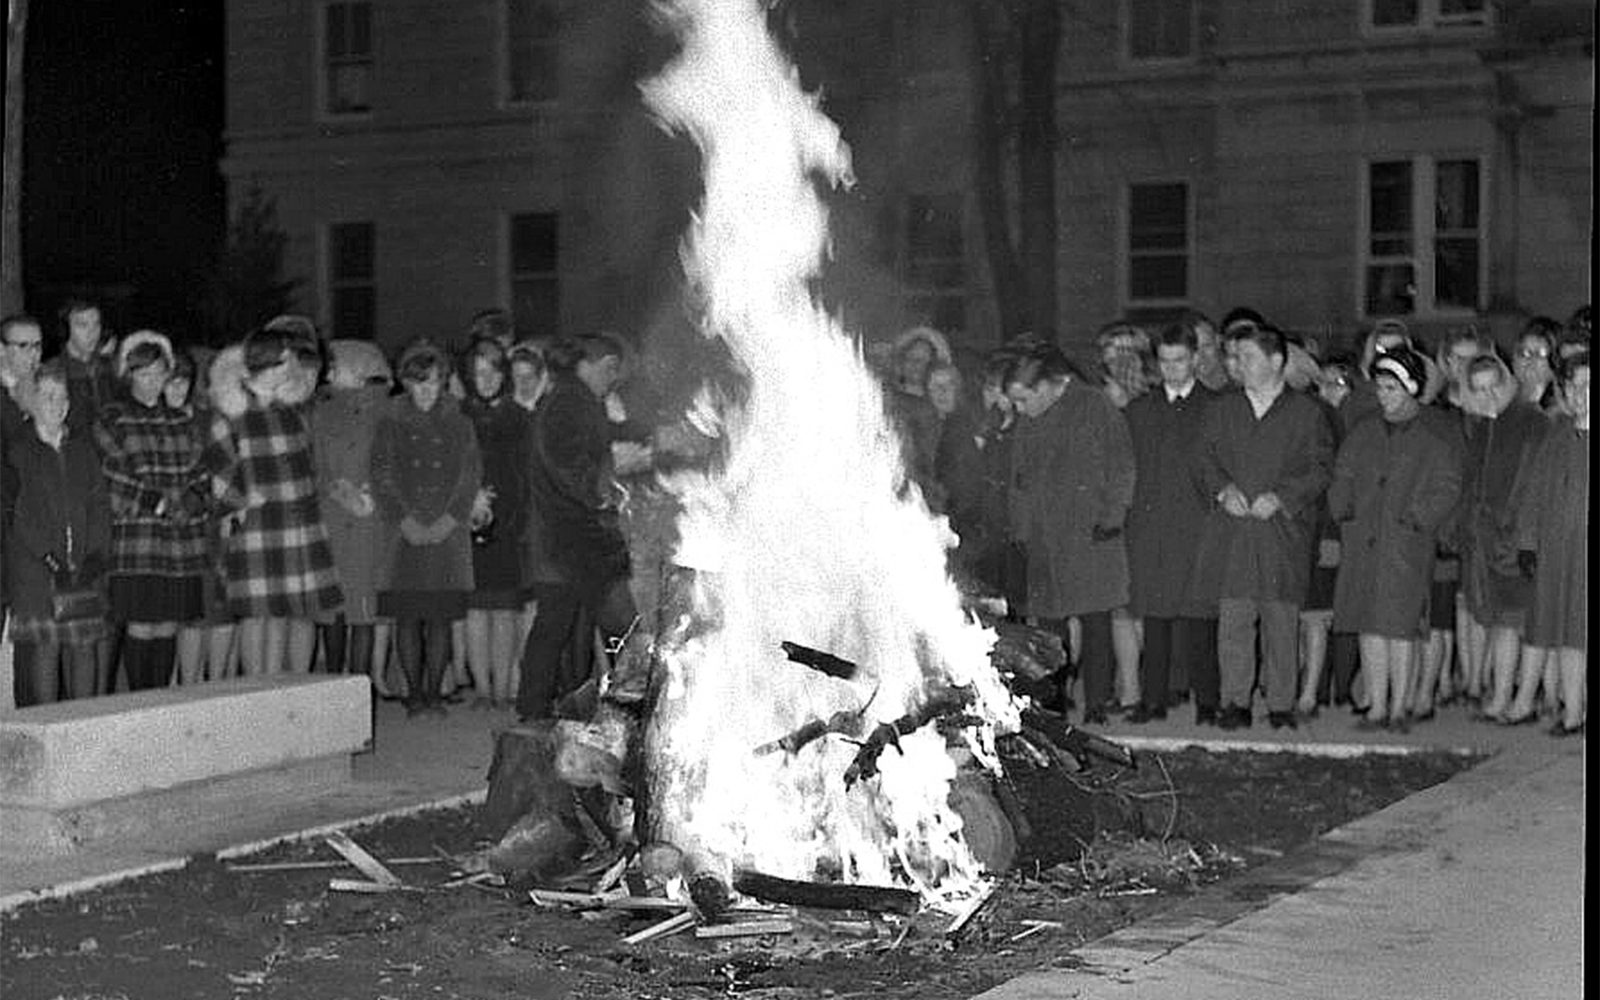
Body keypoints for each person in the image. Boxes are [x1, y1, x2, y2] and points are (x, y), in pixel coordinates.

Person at [1190, 320, 1333, 730]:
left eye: (1248, 357)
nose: (1238, 365)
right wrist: (1223, 490)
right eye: (1236, 357)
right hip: (1234, 533)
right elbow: (1201, 458)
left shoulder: (1307, 413)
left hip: (1281, 533)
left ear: (1276, 361)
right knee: (1234, 621)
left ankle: (1280, 703)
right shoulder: (1223, 409)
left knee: (1281, 622)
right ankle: (1235, 701)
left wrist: (1283, 497)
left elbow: (1320, 467)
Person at [1327, 346, 1463, 732]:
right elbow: (1343, 473)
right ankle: (1377, 704)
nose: (1383, 395)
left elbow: (1447, 485)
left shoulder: (1431, 437)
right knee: (1369, 624)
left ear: (1411, 388)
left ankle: (1400, 705)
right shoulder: (1364, 432)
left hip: (1405, 545)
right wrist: (1343, 508)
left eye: (1392, 388)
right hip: (1364, 540)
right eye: (1381, 387)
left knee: (1401, 628)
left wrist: (1416, 519)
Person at [515, 332, 647, 722]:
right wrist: (612, 477)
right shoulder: (569, 404)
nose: (614, 380)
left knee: (558, 627)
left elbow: (588, 453)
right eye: (612, 371)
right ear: (599, 364)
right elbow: (570, 466)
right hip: (576, 541)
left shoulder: (573, 401)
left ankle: (535, 709)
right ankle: (629, 711)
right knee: (621, 630)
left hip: (567, 540)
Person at [1005, 341, 1136, 725]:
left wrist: (1112, 517)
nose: (1018, 409)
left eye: (1023, 399)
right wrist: (1022, 529)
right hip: (1045, 540)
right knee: (1049, 628)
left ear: (1046, 387)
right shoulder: (1029, 419)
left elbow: (1122, 465)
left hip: (1092, 534)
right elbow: (1019, 480)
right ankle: (1054, 705)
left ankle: (1097, 702)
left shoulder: (1094, 405)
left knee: (1096, 622)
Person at [204, 321, 343, 676]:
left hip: (297, 524)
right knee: (256, 614)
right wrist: (243, 500)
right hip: (256, 526)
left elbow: (308, 465)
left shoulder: (291, 411)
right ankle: (257, 689)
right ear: (268, 364)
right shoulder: (231, 414)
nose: (293, 366)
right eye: (286, 359)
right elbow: (218, 473)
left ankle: (283, 687)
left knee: (288, 610)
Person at [371, 338, 482, 718]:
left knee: (439, 618)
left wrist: (449, 520)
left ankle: (434, 693)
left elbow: (470, 475)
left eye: (433, 382)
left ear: (444, 382)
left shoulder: (460, 422)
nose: (426, 391)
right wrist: (406, 522)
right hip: (403, 534)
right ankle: (414, 694)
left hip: (446, 534)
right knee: (407, 618)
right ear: (405, 382)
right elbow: (381, 475)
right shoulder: (389, 422)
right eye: (419, 382)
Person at [96, 331, 212, 691]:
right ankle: (139, 701)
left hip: (180, 537)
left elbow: (202, 471)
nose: (151, 381)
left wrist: (191, 500)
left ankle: (159, 699)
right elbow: (110, 474)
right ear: (129, 374)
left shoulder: (182, 421)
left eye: (159, 373)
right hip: (139, 536)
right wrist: (156, 502)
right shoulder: (113, 418)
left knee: (168, 623)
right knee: (141, 623)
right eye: (143, 373)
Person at [1123, 322, 1221, 724]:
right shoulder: (1139, 410)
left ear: (1195, 359)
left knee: (1200, 619)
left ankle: (1208, 701)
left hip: (1199, 527)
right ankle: (1153, 699)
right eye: (1164, 361)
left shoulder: (1215, 407)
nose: (1172, 369)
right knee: (1155, 618)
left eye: (1179, 360)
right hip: (1153, 529)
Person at [6, 363, 112, 705]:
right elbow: (18, 513)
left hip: (82, 569)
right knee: (45, 651)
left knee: (84, 649)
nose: (57, 404)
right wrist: (50, 559)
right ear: (33, 400)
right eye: (48, 396)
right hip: (37, 572)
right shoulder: (17, 449)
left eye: (62, 397)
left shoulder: (83, 448)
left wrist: (95, 556)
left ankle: (83, 728)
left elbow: (100, 505)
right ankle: (50, 730)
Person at [1457, 352, 1548, 725]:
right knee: (1500, 623)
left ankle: (1523, 701)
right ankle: (1500, 697)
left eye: (1493, 386)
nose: (1488, 395)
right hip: (1486, 542)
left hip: (1517, 540)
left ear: (1506, 382)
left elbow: (1529, 482)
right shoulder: (1482, 426)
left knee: (1524, 623)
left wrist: (1517, 532)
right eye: (1479, 389)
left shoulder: (1531, 421)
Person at [310, 339, 396, 691]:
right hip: (332, 519)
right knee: (333, 610)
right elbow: (313, 465)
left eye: (336, 365)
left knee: (363, 610)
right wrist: (338, 491)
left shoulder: (388, 411)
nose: (329, 372)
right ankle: (333, 688)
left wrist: (372, 494)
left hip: (370, 521)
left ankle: (359, 691)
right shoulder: (320, 411)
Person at [1513, 349, 1588, 736]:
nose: (1580, 394)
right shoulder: (1556, 436)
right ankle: (1573, 712)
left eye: (1588, 385)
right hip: (1560, 553)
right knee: (1569, 634)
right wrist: (1528, 543)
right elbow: (1534, 493)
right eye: (1573, 386)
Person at [460, 339, 531, 710]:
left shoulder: (519, 418)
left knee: (504, 610)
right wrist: (469, 499)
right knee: (474, 610)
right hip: (465, 521)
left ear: (504, 374)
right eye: (478, 373)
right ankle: (482, 690)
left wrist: (504, 508)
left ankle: (502, 691)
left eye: (492, 371)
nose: (486, 380)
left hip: (508, 522)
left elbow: (526, 473)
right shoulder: (458, 416)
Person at [57, 298, 119, 438]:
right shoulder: (55, 371)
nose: (92, 333)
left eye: (96, 324)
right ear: (67, 329)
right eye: (83, 325)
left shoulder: (110, 366)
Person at [1511, 316, 1562, 414]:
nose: (1531, 361)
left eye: (1541, 354)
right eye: (1525, 353)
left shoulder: (1561, 410)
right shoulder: (1501, 397)